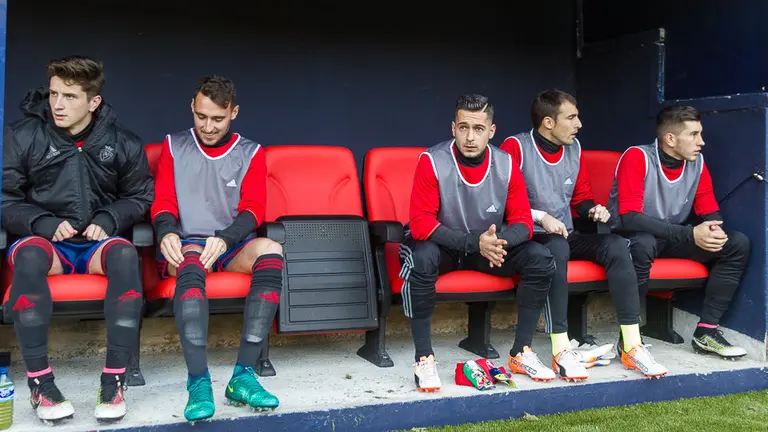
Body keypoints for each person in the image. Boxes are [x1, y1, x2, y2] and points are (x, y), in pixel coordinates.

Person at [1, 56, 153, 423]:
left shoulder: (122, 142)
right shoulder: (23, 136)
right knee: (31, 259)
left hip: (96, 245)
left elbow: (140, 196)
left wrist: (110, 217)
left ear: (93, 102)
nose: (57, 104)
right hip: (46, 243)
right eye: (53, 93)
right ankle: (41, 384)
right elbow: (5, 198)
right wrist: (42, 221)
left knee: (124, 257)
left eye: (69, 96)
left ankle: (114, 380)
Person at [501, 90, 668, 380]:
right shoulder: (515, 147)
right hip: (529, 236)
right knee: (557, 247)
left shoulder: (574, 148)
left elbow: (581, 198)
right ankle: (561, 348)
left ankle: (632, 345)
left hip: (566, 232)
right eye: (572, 117)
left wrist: (594, 210)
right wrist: (542, 217)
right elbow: (500, 202)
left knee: (617, 245)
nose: (579, 123)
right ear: (549, 123)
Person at [400, 94, 557, 391]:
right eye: (463, 128)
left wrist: (497, 243)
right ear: (453, 128)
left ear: (492, 130)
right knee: (419, 257)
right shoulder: (432, 160)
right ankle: (424, 358)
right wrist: (476, 243)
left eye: (478, 129)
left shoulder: (506, 163)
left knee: (539, 257)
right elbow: (420, 224)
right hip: (444, 246)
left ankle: (521, 352)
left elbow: (523, 221)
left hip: (486, 249)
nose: (470, 137)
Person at [151, 76, 283, 422]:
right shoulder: (173, 145)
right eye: (201, 116)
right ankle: (198, 381)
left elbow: (254, 209)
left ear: (233, 112)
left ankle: (243, 375)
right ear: (192, 109)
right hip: (187, 244)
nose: (208, 126)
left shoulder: (251, 152)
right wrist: (166, 231)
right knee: (190, 259)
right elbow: (164, 199)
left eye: (218, 118)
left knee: (271, 249)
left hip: (230, 244)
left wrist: (225, 237)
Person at [607, 105, 751, 359]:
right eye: (694, 135)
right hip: (630, 236)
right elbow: (629, 217)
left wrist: (713, 231)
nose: (701, 142)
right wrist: (689, 235)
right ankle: (630, 340)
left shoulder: (697, 163)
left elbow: (708, 207)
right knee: (643, 244)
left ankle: (706, 332)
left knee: (737, 243)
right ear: (670, 139)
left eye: (700, 134)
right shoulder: (637, 157)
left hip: (671, 238)